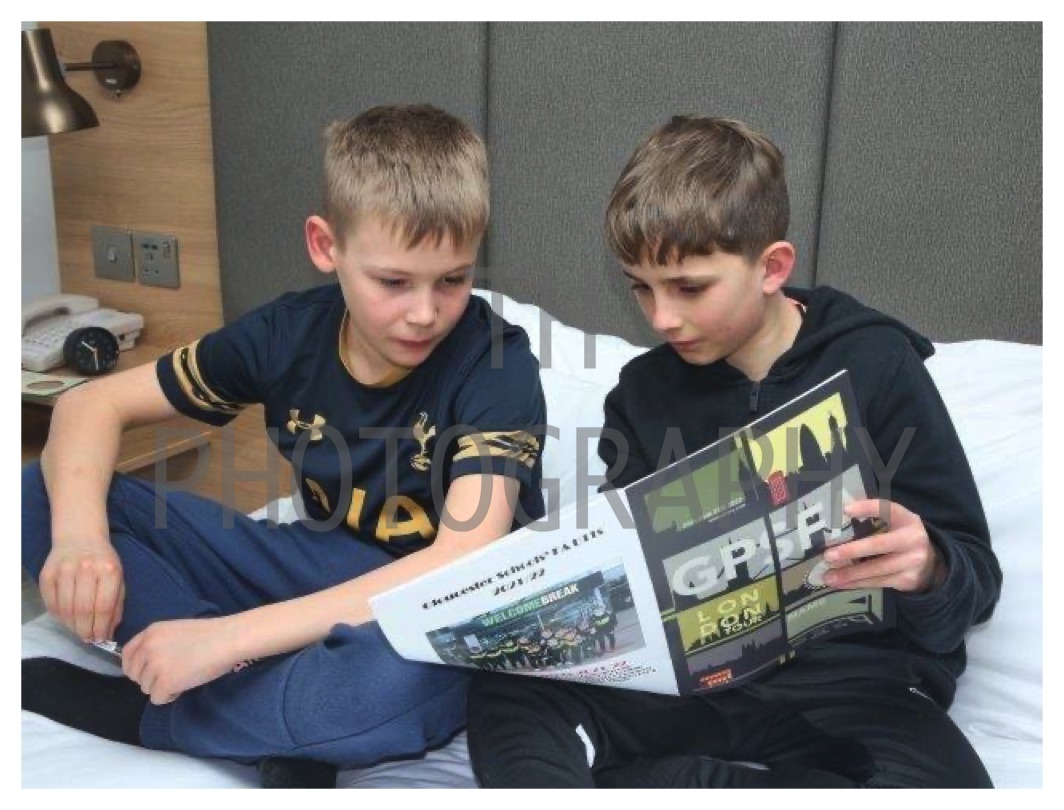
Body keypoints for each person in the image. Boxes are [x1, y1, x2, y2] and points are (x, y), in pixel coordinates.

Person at [466, 115, 1001, 788]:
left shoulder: (877, 364)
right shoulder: (642, 394)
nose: (661, 317)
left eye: (689, 287)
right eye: (641, 286)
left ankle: (667, 785)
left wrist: (930, 567)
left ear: (772, 267)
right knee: (507, 692)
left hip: (853, 688)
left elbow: (976, 582)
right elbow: (632, 575)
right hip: (696, 691)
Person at [22, 104, 547, 788]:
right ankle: (266, 709)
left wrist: (228, 638)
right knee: (41, 495)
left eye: (452, 279)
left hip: (441, 609)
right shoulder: (285, 334)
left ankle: (158, 713)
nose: (425, 313)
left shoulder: (497, 364)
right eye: (393, 282)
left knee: (386, 692)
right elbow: (90, 403)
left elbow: (459, 564)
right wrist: (81, 542)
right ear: (326, 246)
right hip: (314, 562)